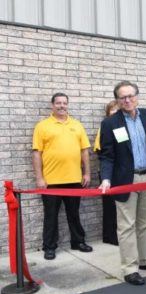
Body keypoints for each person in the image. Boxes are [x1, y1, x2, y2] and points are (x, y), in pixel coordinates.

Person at [99, 81, 146, 286]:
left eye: (131, 95)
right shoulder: (110, 123)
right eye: (122, 97)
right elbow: (107, 156)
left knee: (145, 223)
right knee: (126, 226)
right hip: (124, 180)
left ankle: (145, 260)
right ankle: (130, 268)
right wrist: (106, 178)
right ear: (117, 100)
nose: (127, 100)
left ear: (137, 96)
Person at [32, 92, 93, 260]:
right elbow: (37, 153)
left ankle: (78, 241)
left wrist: (86, 172)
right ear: (52, 105)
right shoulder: (42, 126)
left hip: (74, 179)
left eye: (64, 103)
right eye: (58, 103)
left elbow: (84, 151)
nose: (61, 106)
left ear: (68, 105)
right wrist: (39, 178)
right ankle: (49, 247)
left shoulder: (77, 125)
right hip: (51, 181)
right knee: (50, 215)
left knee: (74, 213)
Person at [94, 100, 119, 245]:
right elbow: (101, 150)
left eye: (117, 110)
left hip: (119, 173)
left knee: (118, 207)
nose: (115, 113)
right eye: (112, 110)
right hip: (108, 174)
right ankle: (110, 236)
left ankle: (110, 236)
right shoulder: (106, 126)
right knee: (110, 207)